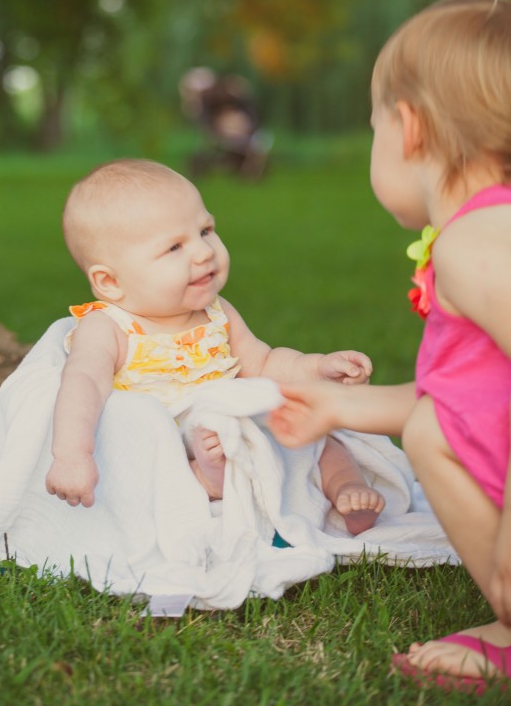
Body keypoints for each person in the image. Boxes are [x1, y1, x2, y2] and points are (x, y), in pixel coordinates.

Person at [268, 0, 511, 692]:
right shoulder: (477, 237)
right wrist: (341, 406)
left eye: (373, 126)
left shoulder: (480, 244)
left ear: (407, 129)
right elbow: (467, 395)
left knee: (432, 434)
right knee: (433, 422)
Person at [45, 158, 385, 536]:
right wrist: (72, 455)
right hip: (172, 438)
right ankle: (205, 483)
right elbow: (83, 386)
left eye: (205, 230)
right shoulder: (108, 327)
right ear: (110, 282)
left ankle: (346, 488)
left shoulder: (216, 313)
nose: (204, 252)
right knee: (152, 469)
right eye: (174, 247)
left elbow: (264, 361)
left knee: (317, 436)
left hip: (235, 421)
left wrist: (319, 368)